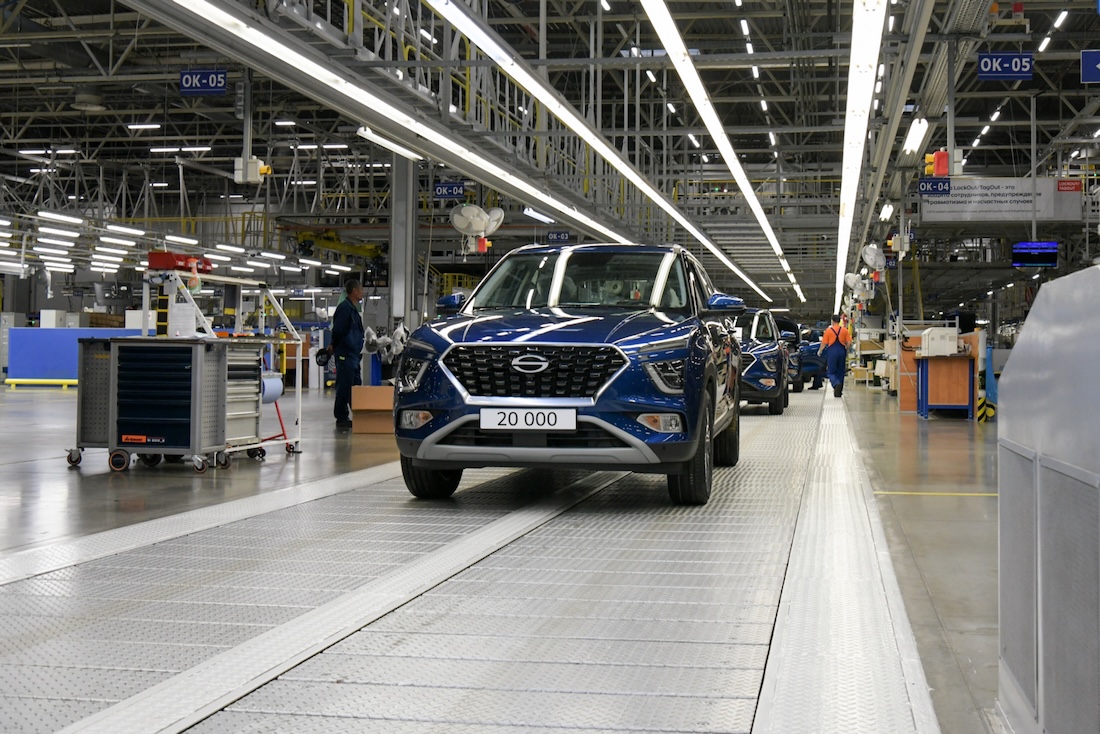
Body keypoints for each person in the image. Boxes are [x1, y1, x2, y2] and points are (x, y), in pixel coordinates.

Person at [330, 279, 365, 428]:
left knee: (355, 386)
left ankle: (358, 414)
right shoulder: (345, 308)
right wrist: (333, 345)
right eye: (360, 289)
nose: (362, 292)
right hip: (345, 353)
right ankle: (341, 417)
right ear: (354, 291)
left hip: (354, 355)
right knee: (344, 385)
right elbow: (338, 330)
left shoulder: (353, 309)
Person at [818, 313, 852, 398]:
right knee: (841, 371)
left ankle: (836, 383)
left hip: (832, 351)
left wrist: (820, 351)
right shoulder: (844, 330)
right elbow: (849, 342)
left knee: (831, 372)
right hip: (842, 351)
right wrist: (846, 348)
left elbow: (824, 343)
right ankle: (838, 392)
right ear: (839, 321)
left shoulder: (828, 331)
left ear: (832, 321)